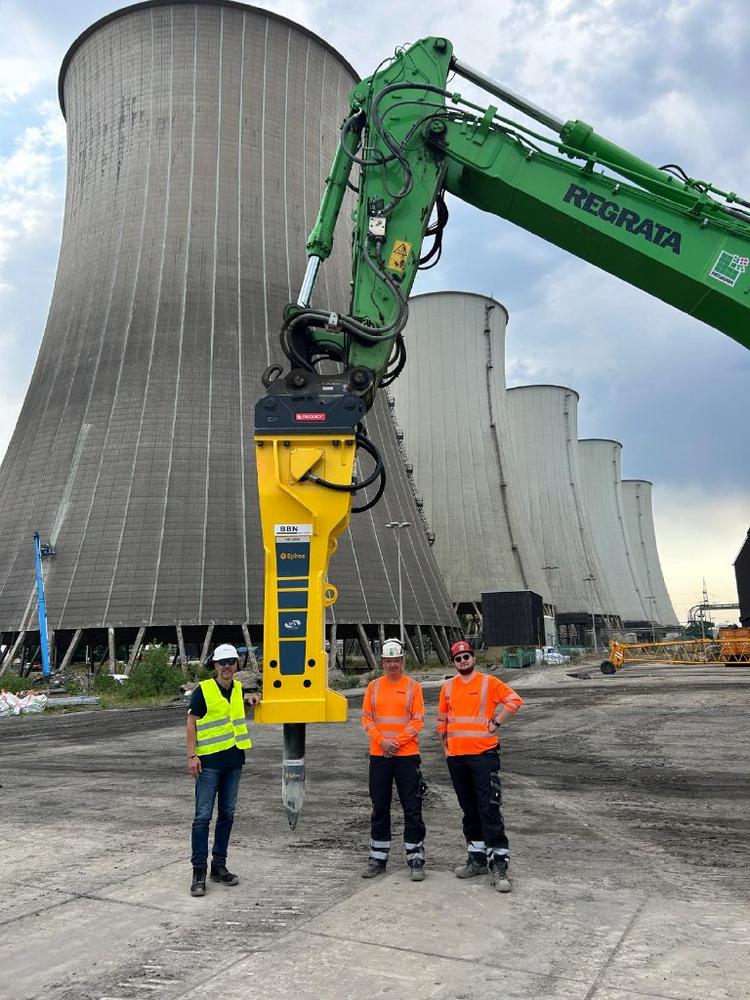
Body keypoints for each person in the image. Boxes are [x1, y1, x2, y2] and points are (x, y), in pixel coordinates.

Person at [437, 639, 523, 893]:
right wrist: (446, 748)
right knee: (469, 810)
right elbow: (442, 720)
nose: (463, 661)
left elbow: (514, 701)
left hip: (483, 756)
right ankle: (476, 858)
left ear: (473, 658)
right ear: (453, 663)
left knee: (489, 809)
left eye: (466, 657)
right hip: (457, 759)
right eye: (458, 658)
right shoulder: (448, 688)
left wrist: (496, 722)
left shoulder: (488, 683)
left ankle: (499, 864)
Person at [186, 643, 260, 897]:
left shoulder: (238, 688)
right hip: (208, 764)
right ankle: (198, 871)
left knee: (227, 815)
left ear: (236, 665)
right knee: (202, 818)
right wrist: (192, 755)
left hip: (233, 762)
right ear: (215, 665)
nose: (227, 666)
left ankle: (219, 865)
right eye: (223, 662)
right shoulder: (204, 690)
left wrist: (251, 700)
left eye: (231, 662)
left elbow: (234, 711)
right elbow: (191, 723)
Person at [360, 638, 427, 881]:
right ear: (383, 662)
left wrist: (396, 742)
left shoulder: (413, 687)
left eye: (396, 660)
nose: (392, 665)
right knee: (380, 807)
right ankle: (377, 858)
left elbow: (418, 719)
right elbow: (366, 719)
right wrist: (382, 741)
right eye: (388, 661)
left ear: (402, 660)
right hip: (380, 756)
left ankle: (416, 857)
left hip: (406, 756)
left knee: (412, 807)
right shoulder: (373, 687)